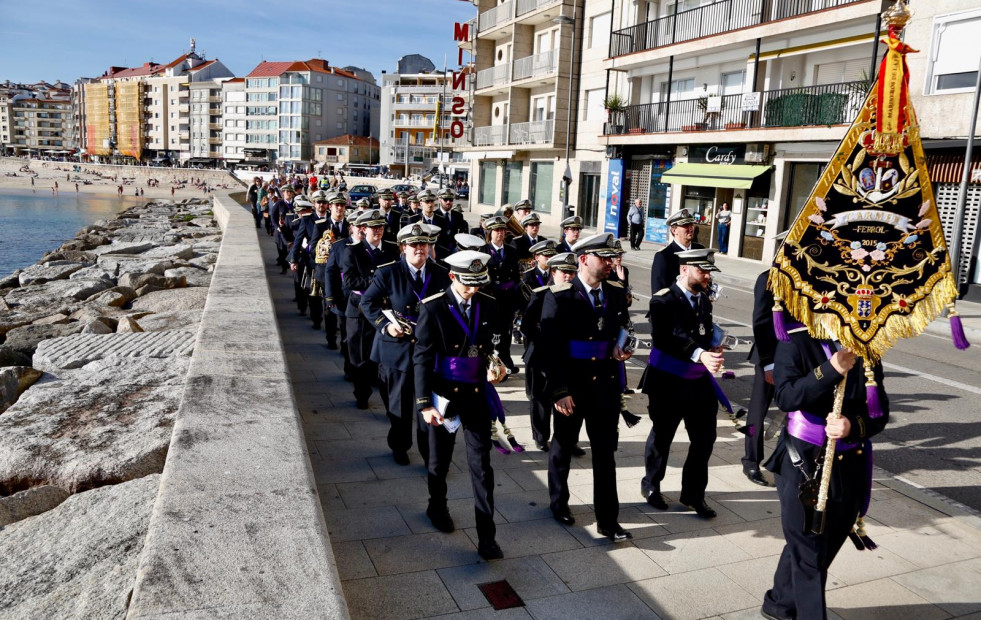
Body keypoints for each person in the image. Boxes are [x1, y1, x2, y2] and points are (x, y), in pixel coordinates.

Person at [762, 327, 888, 620]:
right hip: (803, 462)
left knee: (825, 540)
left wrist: (852, 426)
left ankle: (779, 602)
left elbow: (879, 409)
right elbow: (786, 396)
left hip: (850, 462)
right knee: (810, 552)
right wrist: (830, 369)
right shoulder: (795, 340)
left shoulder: (867, 345)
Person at [540, 233, 633, 542]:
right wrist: (558, 390)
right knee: (563, 445)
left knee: (605, 454)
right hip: (572, 384)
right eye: (604, 258)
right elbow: (550, 348)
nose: (611, 263)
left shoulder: (617, 292)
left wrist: (621, 348)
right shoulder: (560, 295)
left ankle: (609, 520)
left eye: (611, 258)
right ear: (583, 259)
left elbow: (621, 327)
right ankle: (558, 503)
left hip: (604, 385)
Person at [413, 250, 505, 561]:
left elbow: (494, 347)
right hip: (444, 395)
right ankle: (436, 506)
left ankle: (487, 537)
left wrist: (498, 367)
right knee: (439, 461)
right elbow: (422, 359)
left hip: (477, 394)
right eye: (468, 284)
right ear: (453, 277)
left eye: (478, 283)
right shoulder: (434, 307)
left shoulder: (488, 304)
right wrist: (425, 403)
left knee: (482, 467)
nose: (473, 290)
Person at [639, 249, 725, 519]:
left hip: (699, 383)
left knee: (704, 440)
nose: (707, 276)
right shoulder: (662, 301)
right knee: (662, 436)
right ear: (684, 269)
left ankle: (693, 494)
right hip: (668, 382)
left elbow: (703, 331)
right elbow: (671, 336)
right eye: (702, 270)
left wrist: (714, 345)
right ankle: (652, 486)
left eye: (709, 271)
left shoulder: (703, 301)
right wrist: (701, 354)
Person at [362, 223, 451, 466]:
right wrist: (385, 326)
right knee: (399, 407)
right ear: (403, 247)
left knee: (428, 407)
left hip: (430, 353)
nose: (419, 249)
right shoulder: (388, 273)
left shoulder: (442, 273)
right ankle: (400, 446)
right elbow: (367, 303)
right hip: (396, 351)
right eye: (413, 245)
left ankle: (429, 454)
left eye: (423, 244)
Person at [342, 210, 400, 409]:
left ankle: (388, 401)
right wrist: (377, 282)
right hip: (359, 310)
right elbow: (349, 281)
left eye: (381, 227)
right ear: (363, 229)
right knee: (360, 357)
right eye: (374, 227)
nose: (378, 231)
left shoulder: (392, 249)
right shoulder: (353, 251)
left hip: (385, 309)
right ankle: (362, 394)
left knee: (385, 358)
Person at [521, 251, 576, 452]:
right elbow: (526, 326)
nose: (568, 276)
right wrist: (543, 336)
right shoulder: (541, 294)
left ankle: (568, 440)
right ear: (553, 273)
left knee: (567, 397)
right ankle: (541, 437)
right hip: (540, 355)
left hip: (566, 357)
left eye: (572, 272)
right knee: (541, 400)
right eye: (564, 272)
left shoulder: (576, 295)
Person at [742, 270, 778, 486]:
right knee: (757, 412)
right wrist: (768, 363)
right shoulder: (767, 278)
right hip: (771, 355)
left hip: (799, 356)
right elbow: (761, 322)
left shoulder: (809, 275)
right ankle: (751, 461)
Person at [481, 215, 520, 375]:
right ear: (490, 232)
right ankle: (490, 360)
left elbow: (517, 276)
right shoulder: (483, 251)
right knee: (490, 330)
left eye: (503, 230)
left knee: (506, 330)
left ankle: (505, 359)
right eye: (497, 230)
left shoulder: (512, 251)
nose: (501, 233)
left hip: (507, 298)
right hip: (490, 297)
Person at [650, 208, 703, 293]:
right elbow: (658, 294)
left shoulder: (700, 250)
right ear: (674, 230)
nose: (690, 228)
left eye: (691, 225)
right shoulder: (664, 256)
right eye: (685, 225)